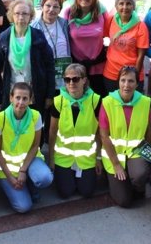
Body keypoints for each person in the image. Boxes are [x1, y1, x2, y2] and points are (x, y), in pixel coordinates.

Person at [0, 82, 53, 213]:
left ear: (31, 100)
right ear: (11, 98)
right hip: (6, 168)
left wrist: (23, 171)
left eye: (25, 98)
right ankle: (10, 187)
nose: (21, 102)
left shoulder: (36, 116)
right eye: (18, 97)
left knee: (45, 178)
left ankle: (30, 185)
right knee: (23, 207)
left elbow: (36, 145)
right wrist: (10, 178)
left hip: (29, 162)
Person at [0, 0, 55, 115]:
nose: (21, 17)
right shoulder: (3, 38)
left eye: (25, 14)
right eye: (17, 13)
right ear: (12, 16)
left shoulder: (38, 36)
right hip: (11, 92)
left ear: (30, 17)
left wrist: (49, 94)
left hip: (35, 92)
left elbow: (50, 66)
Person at [100, 66, 151, 207]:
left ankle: (136, 182)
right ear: (118, 82)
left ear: (137, 84)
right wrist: (116, 165)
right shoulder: (107, 102)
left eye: (131, 81)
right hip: (114, 155)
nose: (126, 85)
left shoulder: (145, 102)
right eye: (123, 80)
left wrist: (149, 159)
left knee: (141, 175)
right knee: (125, 201)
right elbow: (104, 136)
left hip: (135, 153)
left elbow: (148, 132)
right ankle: (115, 178)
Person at [48, 63, 102, 199]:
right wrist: (52, 159)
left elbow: (99, 133)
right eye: (67, 79)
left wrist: (98, 158)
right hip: (63, 158)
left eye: (76, 79)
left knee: (86, 192)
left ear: (84, 80)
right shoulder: (58, 101)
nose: (71, 83)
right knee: (66, 192)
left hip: (86, 158)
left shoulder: (95, 101)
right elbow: (52, 132)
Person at [63, 0, 108, 96]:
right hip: (76, 67)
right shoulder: (69, 13)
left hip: (97, 65)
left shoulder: (101, 13)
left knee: (99, 100)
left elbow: (110, 35)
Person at [103, 0, 149, 92]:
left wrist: (134, 77)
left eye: (128, 3)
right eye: (121, 3)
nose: (125, 7)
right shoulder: (110, 20)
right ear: (116, 6)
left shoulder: (140, 26)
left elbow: (141, 56)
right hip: (111, 73)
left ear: (133, 6)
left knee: (132, 106)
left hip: (131, 75)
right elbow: (103, 37)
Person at [31, 0, 72, 91]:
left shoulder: (65, 24)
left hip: (63, 73)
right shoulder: (33, 27)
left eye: (55, 7)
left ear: (60, 10)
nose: (51, 10)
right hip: (44, 73)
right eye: (48, 5)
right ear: (42, 6)